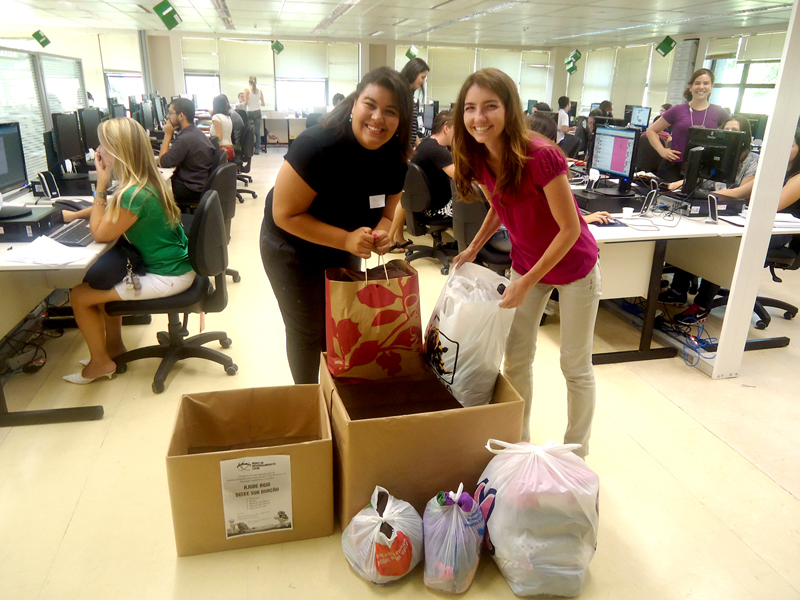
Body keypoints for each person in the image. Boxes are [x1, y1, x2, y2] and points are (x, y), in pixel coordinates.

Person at [451, 68, 601, 456]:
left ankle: (577, 453)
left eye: (490, 106)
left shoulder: (541, 156)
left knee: (574, 366)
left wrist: (526, 281)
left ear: (509, 109)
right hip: (527, 262)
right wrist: (473, 247)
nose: (478, 117)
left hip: (574, 267)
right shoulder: (478, 155)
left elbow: (570, 229)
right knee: (515, 359)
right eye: (470, 108)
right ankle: (519, 443)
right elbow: (499, 205)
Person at [259, 67, 412, 384]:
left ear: (401, 120)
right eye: (370, 104)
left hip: (345, 244)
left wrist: (381, 234)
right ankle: (307, 399)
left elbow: (387, 214)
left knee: (341, 321)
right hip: (292, 247)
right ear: (355, 103)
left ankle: (335, 394)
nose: (378, 118)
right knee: (307, 330)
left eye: (390, 111)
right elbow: (284, 214)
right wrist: (345, 240)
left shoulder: (395, 158)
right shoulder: (317, 146)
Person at [62, 118, 195, 384]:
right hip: (179, 266)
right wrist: (75, 215)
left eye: (102, 145)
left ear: (118, 151)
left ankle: (100, 363)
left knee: (80, 295)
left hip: (168, 276)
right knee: (105, 280)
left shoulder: (133, 195)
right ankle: (114, 349)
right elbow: (113, 209)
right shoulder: (148, 183)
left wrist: (101, 184)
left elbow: (100, 233)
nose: (97, 151)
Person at [662, 115, 760, 323]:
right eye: (727, 130)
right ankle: (678, 291)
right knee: (685, 237)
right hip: (706, 203)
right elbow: (698, 178)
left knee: (717, 247)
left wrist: (709, 196)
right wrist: (679, 185)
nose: (730, 135)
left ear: (745, 137)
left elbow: (742, 192)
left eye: (735, 131)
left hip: (731, 210)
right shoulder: (714, 152)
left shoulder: (752, 160)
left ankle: (703, 303)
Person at [646, 68, 729, 182]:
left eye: (706, 83)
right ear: (691, 87)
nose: (701, 87)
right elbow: (651, 130)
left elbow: (731, 137)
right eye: (697, 83)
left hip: (704, 170)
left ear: (712, 86)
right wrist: (661, 150)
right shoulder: (677, 110)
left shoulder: (719, 112)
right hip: (674, 168)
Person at [158, 97, 215, 207]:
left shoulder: (185, 138)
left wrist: (168, 134)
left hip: (190, 189)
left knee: (155, 190)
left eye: (170, 113)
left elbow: (163, 162)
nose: (168, 117)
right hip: (198, 183)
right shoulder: (194, 132)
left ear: (181, 116)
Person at [400, 57, 429, 146]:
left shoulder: (409, 95)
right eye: (422, 77)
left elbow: (411, 129)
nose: (423, 82)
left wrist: (419, 146)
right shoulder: (401, 95)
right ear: (414, 73)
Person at [245, 76, 265, 154]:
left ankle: (249, 149)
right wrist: (257, 103)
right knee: (257, 131)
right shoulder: (260, 91)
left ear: (249, 82)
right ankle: (257, 150)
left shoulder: (247, 90)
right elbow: (263, 103)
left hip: (250, 112)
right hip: (258, 112)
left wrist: (240, 104)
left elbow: (246, 103)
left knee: (250, 131)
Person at [211, 94, 234, 161]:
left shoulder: (216, 117)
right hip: (230, 150)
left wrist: (207, 140)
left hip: (222, 151)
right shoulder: (228, 117)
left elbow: (219, 137)